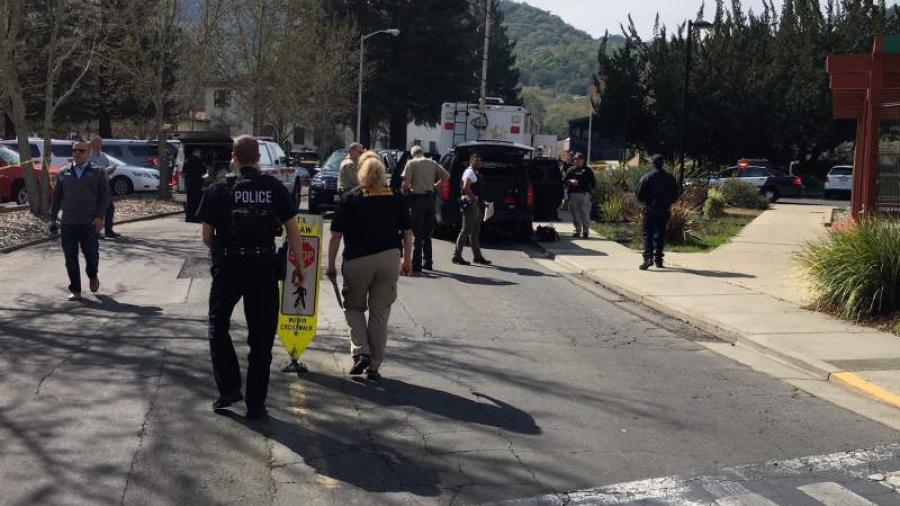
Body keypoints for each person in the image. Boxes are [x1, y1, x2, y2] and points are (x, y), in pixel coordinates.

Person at [197, 135, 306, 419]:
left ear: (234, 157)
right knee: (261, 337)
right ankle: (255, 403)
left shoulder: (218, 189)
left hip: (229, 267)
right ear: (258, 157)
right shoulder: (274, 188)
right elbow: (293, 231)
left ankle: (229, 387)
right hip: (263, 267)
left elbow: (207, 237)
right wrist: (300, 268)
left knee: (217, 326)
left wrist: (224, 250)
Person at [327, 153, 412, 382]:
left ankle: (361, 350)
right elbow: (407, 232)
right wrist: (407, 260)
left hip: (357, 260)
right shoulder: (395, 196)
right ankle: (374, 366)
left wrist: (331, 265)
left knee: (353, 307)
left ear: (361, 173)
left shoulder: (350, 198)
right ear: (383, 173)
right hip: (389, 258)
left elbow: (335, 236)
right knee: (380, 313)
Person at [50, 138, 110, 301]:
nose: (77, 153)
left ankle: (92, 275)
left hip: (88, 223)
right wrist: (53, 219)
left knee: (91, 254)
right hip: (68, 222)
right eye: (74, 150)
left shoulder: (98, 172)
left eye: (81, 151)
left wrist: (99, 217)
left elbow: (105, 197)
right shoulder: (64, 172)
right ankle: (75, 289)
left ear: (88, 153)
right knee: (70, 257)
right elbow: (57, 198)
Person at [402, 145, 449, 272]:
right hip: (430, 200)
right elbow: (446, 175)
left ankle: (416, 264)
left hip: (417, 200)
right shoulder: (432, 162)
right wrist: (436, 186)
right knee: (427, 233)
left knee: (417, 233)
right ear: (422, 152)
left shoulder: (411, 163)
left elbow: (406, 185)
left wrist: (405, 192)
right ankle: (428, 262)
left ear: (412, 154)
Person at [636, 154, 679, 270]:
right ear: (663, 163)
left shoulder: (647, 177)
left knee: (648, 234)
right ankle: (659, 259)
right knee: (661, 234)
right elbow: (675, 196)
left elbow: (639, 195)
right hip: (664, 210)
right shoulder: (670, 178)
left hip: (650, 210)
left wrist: (646, 201)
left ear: (653, 164)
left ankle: (648, 258)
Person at [452, 153, 491, 266]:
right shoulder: (469, 172)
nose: (478, 162)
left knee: (474, 232)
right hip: (470, 205)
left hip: (476, 205)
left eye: (479, 160)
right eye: (476, 160)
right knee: (466, 230)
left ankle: (477, 257)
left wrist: (482, 201)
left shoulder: (476, 173)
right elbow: (465, 187)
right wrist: (474, 199)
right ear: (471, 161)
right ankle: (457, 256)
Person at [89, 136, 121, 239]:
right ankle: (95, 232)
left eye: (100, 144)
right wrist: (106, 170)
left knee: (109, 208)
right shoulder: (88, 156)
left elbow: (107, 168)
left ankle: (108, 230)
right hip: (94, 186)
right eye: (97, 144)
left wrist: (111, 171)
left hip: (105, 185)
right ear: (92, 144)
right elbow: (93, 171)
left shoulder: (103, 156)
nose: (100, 146)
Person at [565, 152, 596, 238]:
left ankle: (585, 231)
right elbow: (565, 181)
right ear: (574, 160)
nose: (578, 161)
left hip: (584, 194)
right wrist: (570, 181)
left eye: (580, 159)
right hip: (573, 194)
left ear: (583, 160)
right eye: (576, 159)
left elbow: (593, 183)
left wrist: (592, 194)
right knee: (575, 213)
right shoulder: (570, 170)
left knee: (585, 213)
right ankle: (577, 230)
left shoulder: (588, 171)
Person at [183, 149, 206, 223]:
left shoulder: (187, 161)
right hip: (196, 183)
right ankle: (195, 218)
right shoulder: (199, 162)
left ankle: (188, 217)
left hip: (189, 183)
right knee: (196, 201)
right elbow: (203, 171)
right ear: (197, 154)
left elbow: (183, 172)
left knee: (189, 201)